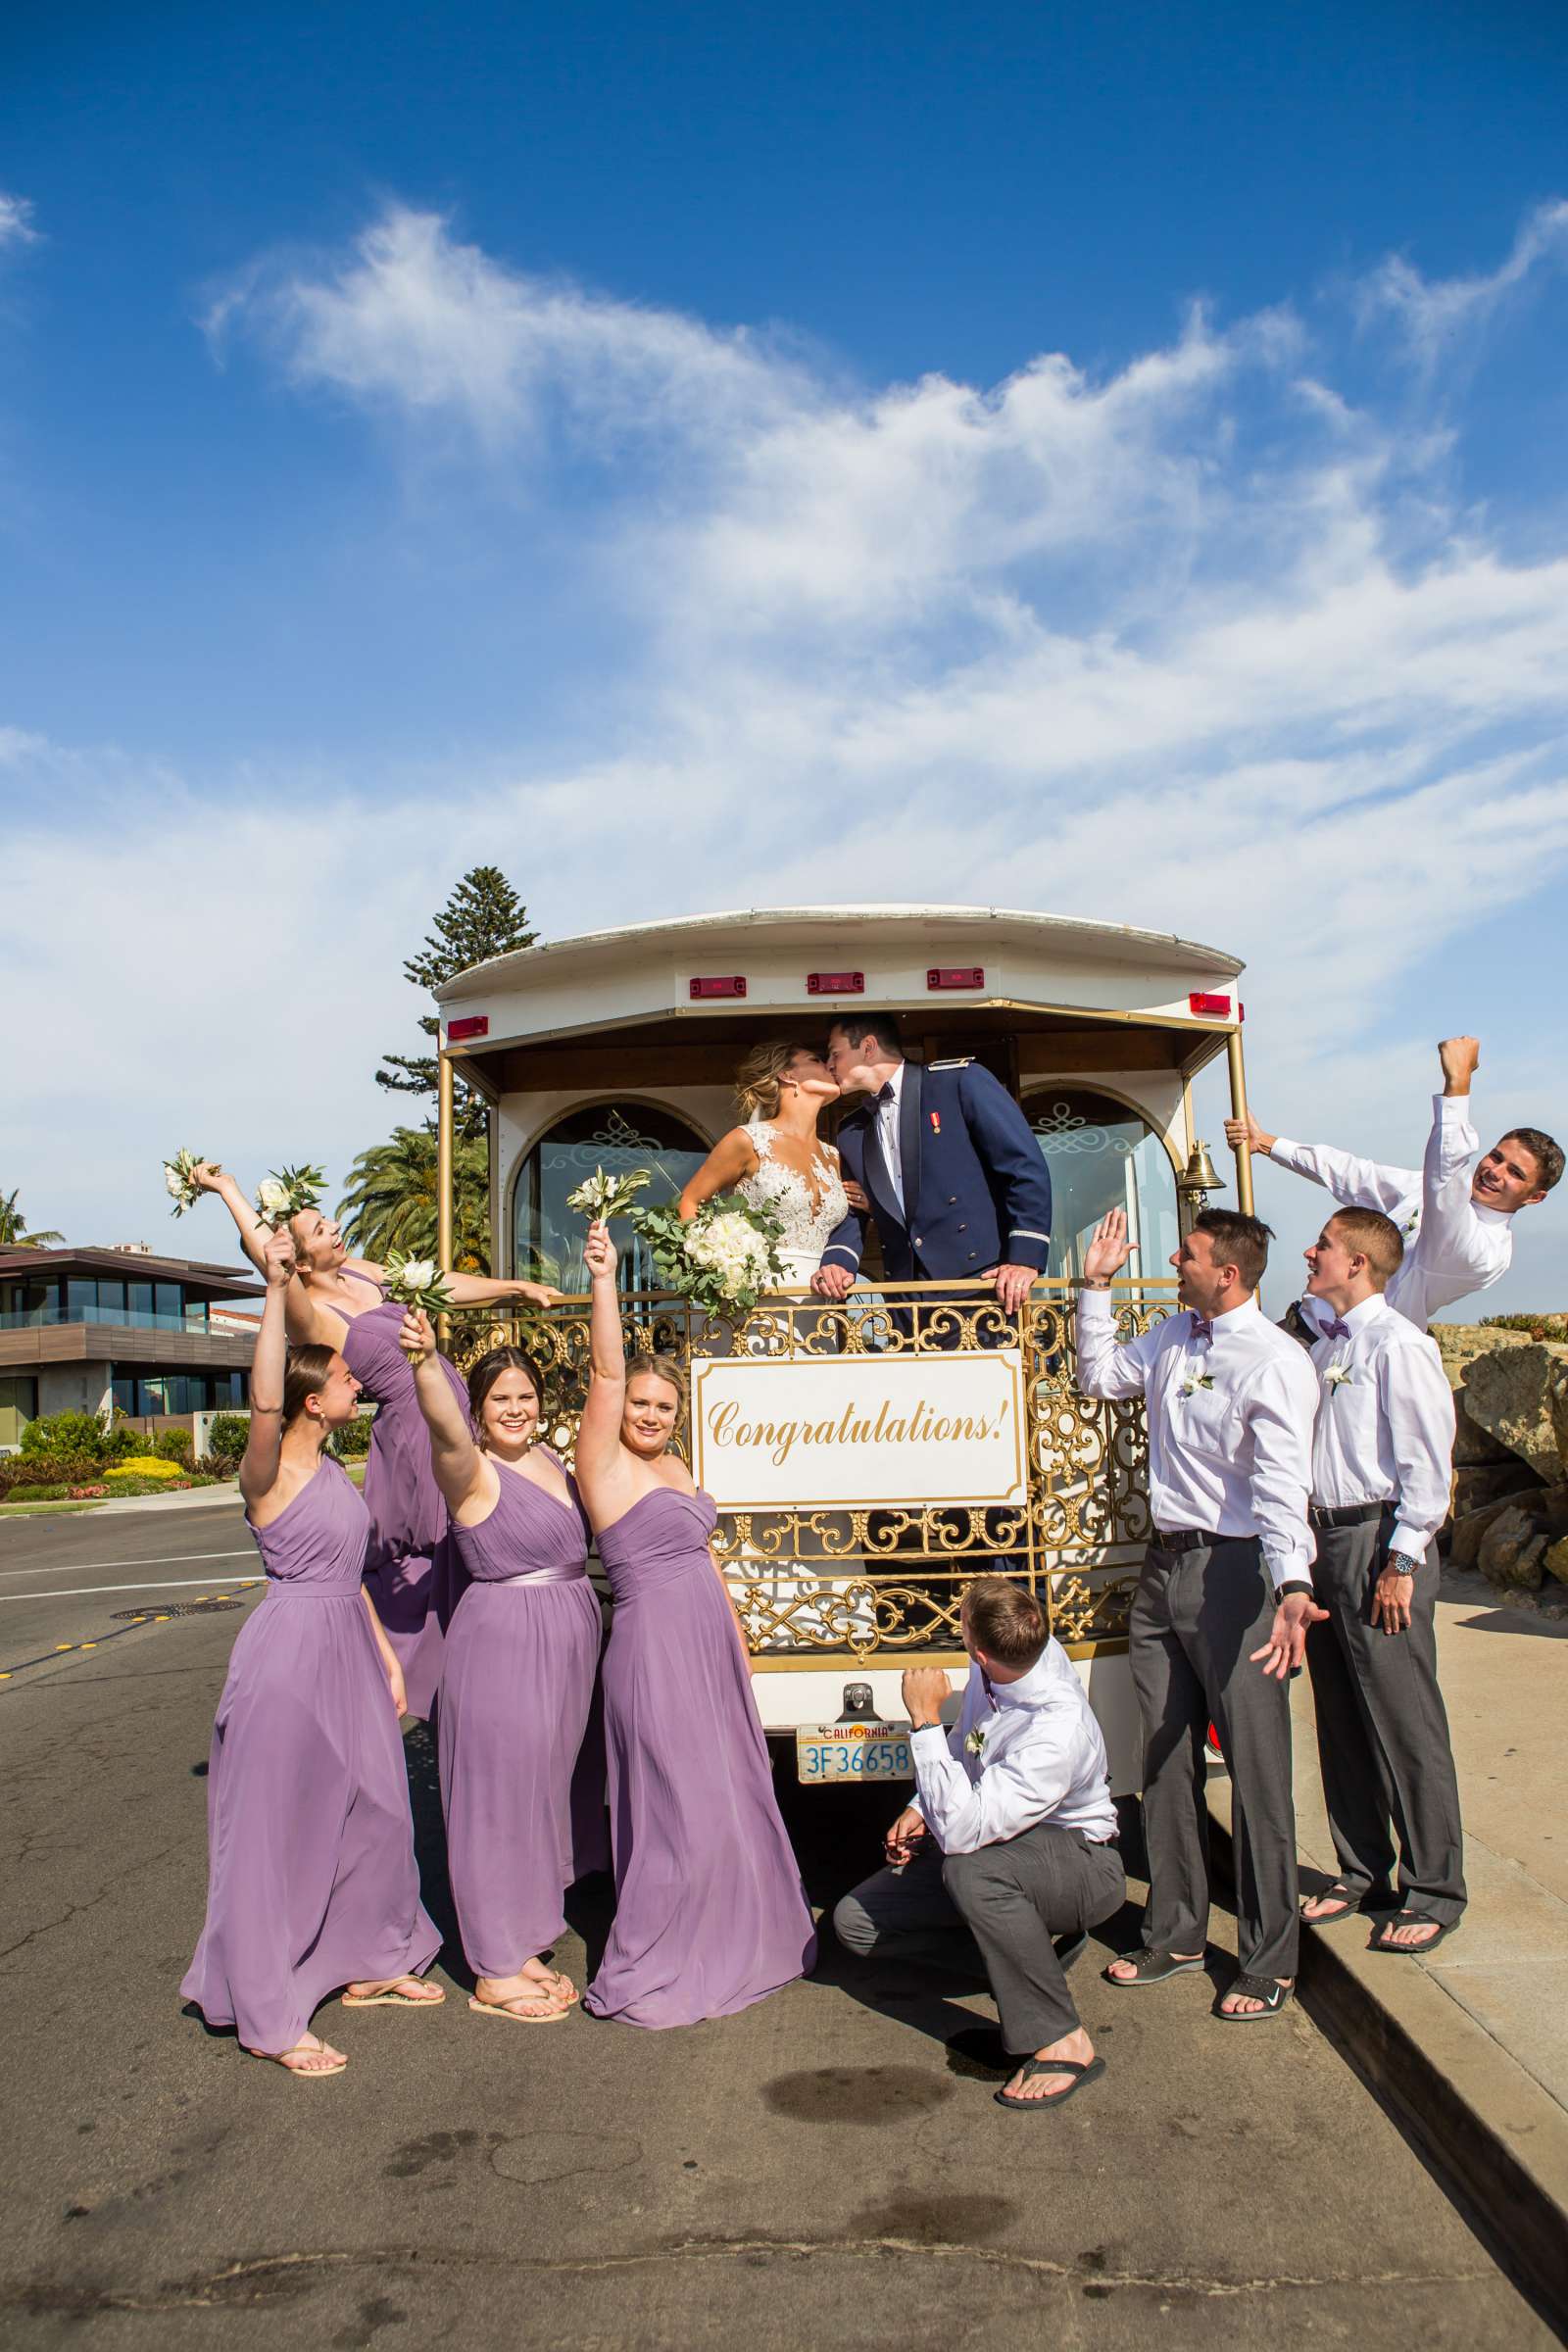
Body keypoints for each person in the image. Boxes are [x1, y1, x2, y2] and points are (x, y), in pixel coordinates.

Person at [181, 1230, 442, 2078]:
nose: (355, 1381)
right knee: (277, 1833)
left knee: (380, 1807)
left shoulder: (338, 1467)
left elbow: (350, 1573)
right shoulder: (271, 1471)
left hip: (349, 1649)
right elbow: (261, 1401)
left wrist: (389, 1657)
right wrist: (271, 1293)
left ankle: (376, 1953)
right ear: (306, 1400)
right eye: (339, 1378)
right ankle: (268, 2011)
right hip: (288, 1660)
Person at [193, 1162, 558, 1716]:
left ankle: (477, 1668)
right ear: (301, 1258)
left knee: (470, 1550)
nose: (335, 1228)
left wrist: (514, 1288)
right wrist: (229, 1191)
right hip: (415, 1439)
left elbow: (436, 1285)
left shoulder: (362, 1274)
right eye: (320, 1230)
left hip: (451, 1415)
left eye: (328, 1221)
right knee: (437, 1557)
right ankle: (414, 1677)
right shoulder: (312, 1316)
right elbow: (267, 1250)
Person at [1078, 1207, 1322, 2020]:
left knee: (1255, 1769)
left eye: (1188, 1254)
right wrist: (1096, 1288)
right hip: (1162, 1566)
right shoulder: (1173, 1335)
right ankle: (1177, 1935)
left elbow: (1286, 1484)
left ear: (1228, 1273)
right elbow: (1099, 1377)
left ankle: (1269, 1955)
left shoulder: (1276, 1361)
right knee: (1162, 1759)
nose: (1174, 1261)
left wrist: (1292, 1587)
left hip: (1238, 1574)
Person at [573, 1219, 816, 2027]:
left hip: (708, 1646)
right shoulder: (603, 1464)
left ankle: (735, 1932)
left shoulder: (674, 1464)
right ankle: (666, 1948)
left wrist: (739, 1650)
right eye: (640, 1403)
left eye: (663, 1405)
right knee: (674, 1803)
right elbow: (607, 1370)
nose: (648, 1413)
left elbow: (707, 1558)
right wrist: (605, 1277)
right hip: (652, 1650)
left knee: (725, 1794)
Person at [834, 1578, 1124, 2111]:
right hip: (1001, 1842)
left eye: (961, 1624)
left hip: (1079, 1862)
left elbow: (967, 1833)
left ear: (980, 1651)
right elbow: (968, 1752)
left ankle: (1063, 2037)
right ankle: (1025, 1959)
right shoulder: (1002, 1664)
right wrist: (920, 1810)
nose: (956, 1626)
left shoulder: (1053, 1731)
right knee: (855, 1922)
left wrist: (923, 1719)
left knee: (969, 1872)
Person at [399, 1309, 604, 2024]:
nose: (515, 1410)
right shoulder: (472, 1471)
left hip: (566, 1651)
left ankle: (521, 1944)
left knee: (538, 1800)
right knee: (496, 1804)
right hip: (504, 1650)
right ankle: (492, 1968)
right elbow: (444, 1431)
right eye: (500, 1400)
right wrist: (427, 1362)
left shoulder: (552, 1461)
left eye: (525, 1396)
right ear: (479, 1412)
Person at [1297, 1208, 1465, 1953]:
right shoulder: (1326, 1341)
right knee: (1340, 1718)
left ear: (1359, 1263)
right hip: (1324, 1541)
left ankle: (1435, 1887)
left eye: (1324, 1246)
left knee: (1403, 1719)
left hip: (1379, 1541)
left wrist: (1402, 1562)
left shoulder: (1399, 1344)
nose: (1311, 1251)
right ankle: (1364, 1868)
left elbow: (1430, 1464)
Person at [1224, 1037, 1562, 1333]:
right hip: (1300, 1325)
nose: (1494, 1171)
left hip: (1364, 1355)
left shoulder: (1484, 1252)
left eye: (1515, 1173)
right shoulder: (1423, 1188)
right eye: (1495, 1157)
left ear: (1535, 1197)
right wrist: (1267, 1144)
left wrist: (1457, 1085)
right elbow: (1351, 1173)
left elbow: (1446, 1185)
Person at [811, 1015, 1053, 1313]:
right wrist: (838, 1261)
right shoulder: (851, 1131)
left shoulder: (959, 1082)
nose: (831, 1065)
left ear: (868, 1047)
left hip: (978, 1285)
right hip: (903, 1295)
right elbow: (852, 1208)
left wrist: (1024, 1259)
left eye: (836, 1054)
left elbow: (1023, 1167)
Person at [677, 1040, 853, 1292]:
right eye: (816, 1060)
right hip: (760, 1299)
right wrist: (717, 1266)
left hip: (821, 1300)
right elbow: (689, 1202)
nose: (829, 1066)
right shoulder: (748, 1141)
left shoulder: (833, 1156)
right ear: (787, 1075)